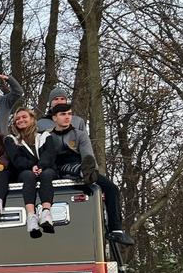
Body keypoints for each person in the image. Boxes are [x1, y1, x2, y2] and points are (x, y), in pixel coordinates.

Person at [48, 102, 134, 245]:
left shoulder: (80, 134)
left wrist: (88, 168)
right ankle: (82, 173)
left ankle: (116, 230)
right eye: (63, 114)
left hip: (82, 165)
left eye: (70, 114)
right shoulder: (48, 136)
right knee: (66, 167)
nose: (67, 117)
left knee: (111, 188)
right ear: (54, 118)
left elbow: (88, 155)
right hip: (58, 168)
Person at [5, 106, 60, 238]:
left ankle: (46, 213)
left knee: (46, 174)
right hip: (24, 171)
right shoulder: (11, 140)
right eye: (17, 119)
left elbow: (50, 154)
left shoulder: (45, 136)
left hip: (46, 169)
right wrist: (31, 167)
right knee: (28, 176)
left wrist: (41, 166)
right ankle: (31, 217)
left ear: (32, 119)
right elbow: (16, 159)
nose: (21, 120)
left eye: (24, 117)